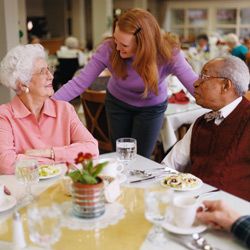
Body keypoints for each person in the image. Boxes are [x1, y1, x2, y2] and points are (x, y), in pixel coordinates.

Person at [53, 8, 197, 158]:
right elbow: (79, 83)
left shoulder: (168, 53)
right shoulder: (108, 49)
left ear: (144, 44)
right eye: (116, 39)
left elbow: (194, 84)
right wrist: (49, 104)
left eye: (124, 45)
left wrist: (220, 106)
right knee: (120, 155)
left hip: (151, 108)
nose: (117, 47)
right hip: (117, 103)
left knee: (141, 159)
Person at [0, 44, 99, 175]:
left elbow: (92, 149)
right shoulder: (4, 116)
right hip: (25, 190)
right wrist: (64, 158)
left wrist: (48, 152)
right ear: (23, 84)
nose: (51, 76)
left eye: (49, 69)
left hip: (62, 186)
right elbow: (7, 165)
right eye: (42, 71)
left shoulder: (64, 110)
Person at [162, 55, 250, 200]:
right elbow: (169, 165)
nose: (195, 83)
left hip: (233, 214)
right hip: (190, 204)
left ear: (226, 86)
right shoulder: (202, 122)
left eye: (204, 76)